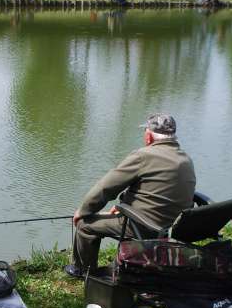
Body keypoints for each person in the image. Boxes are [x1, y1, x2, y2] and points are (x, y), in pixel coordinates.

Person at [64, 114, 197, 278]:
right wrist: (124, 204)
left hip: (147, 226)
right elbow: (154, 189)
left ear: (148, 136)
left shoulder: (143, 156)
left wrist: (83, 211)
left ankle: (83, 271)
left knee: (85, 225)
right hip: (176, 227)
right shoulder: (185, 158)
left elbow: (106, 187)